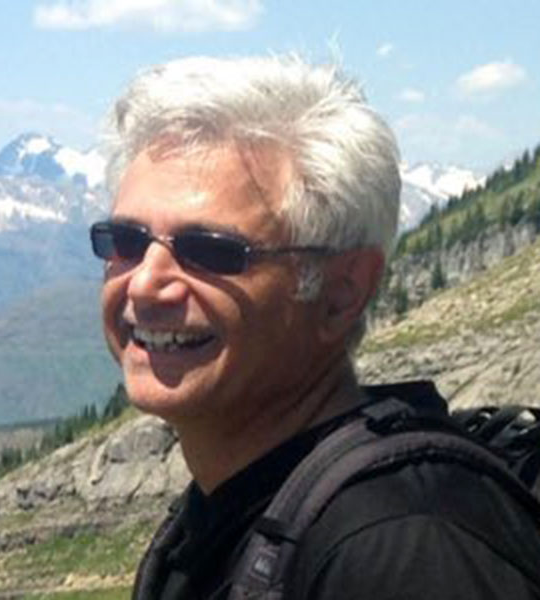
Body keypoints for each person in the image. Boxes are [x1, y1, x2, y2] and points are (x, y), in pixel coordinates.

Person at [90, 54, 540, 599]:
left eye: (211, 251)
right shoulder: (227, 515)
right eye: (127, 242)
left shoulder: (399, 545)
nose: (144, 284)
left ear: (341, 291)